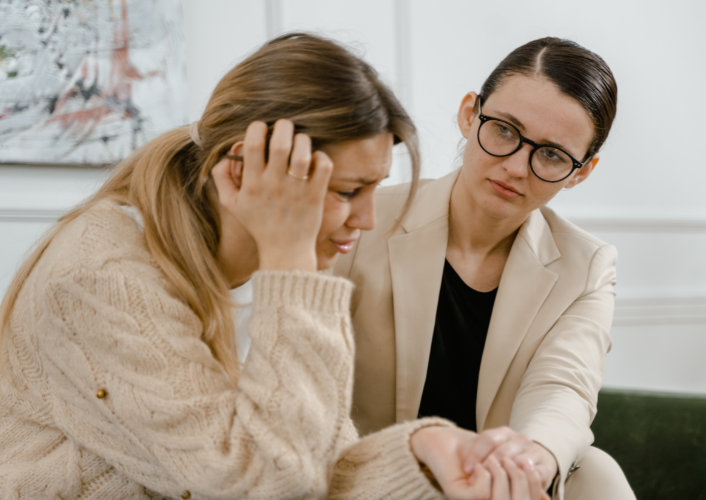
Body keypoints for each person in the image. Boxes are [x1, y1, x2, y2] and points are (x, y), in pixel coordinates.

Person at [0, 34, 548, 500]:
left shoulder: (276, 262)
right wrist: (294, 269)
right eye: (348, 191)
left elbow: (308, 458)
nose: (365, 218)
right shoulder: (104, 275)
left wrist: (421, 450)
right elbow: (265, 482)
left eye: (372, 189)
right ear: (243, 170)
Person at [334, 37, 636, 499]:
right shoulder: (362, 221)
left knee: (596, 472)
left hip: (496, 486)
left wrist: (528, 462)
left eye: (552, 155)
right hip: (372, 478)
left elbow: (563, 389)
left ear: (582, 171)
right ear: (469, 114)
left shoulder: (587, 267)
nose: (516, 166)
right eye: (505, 131)